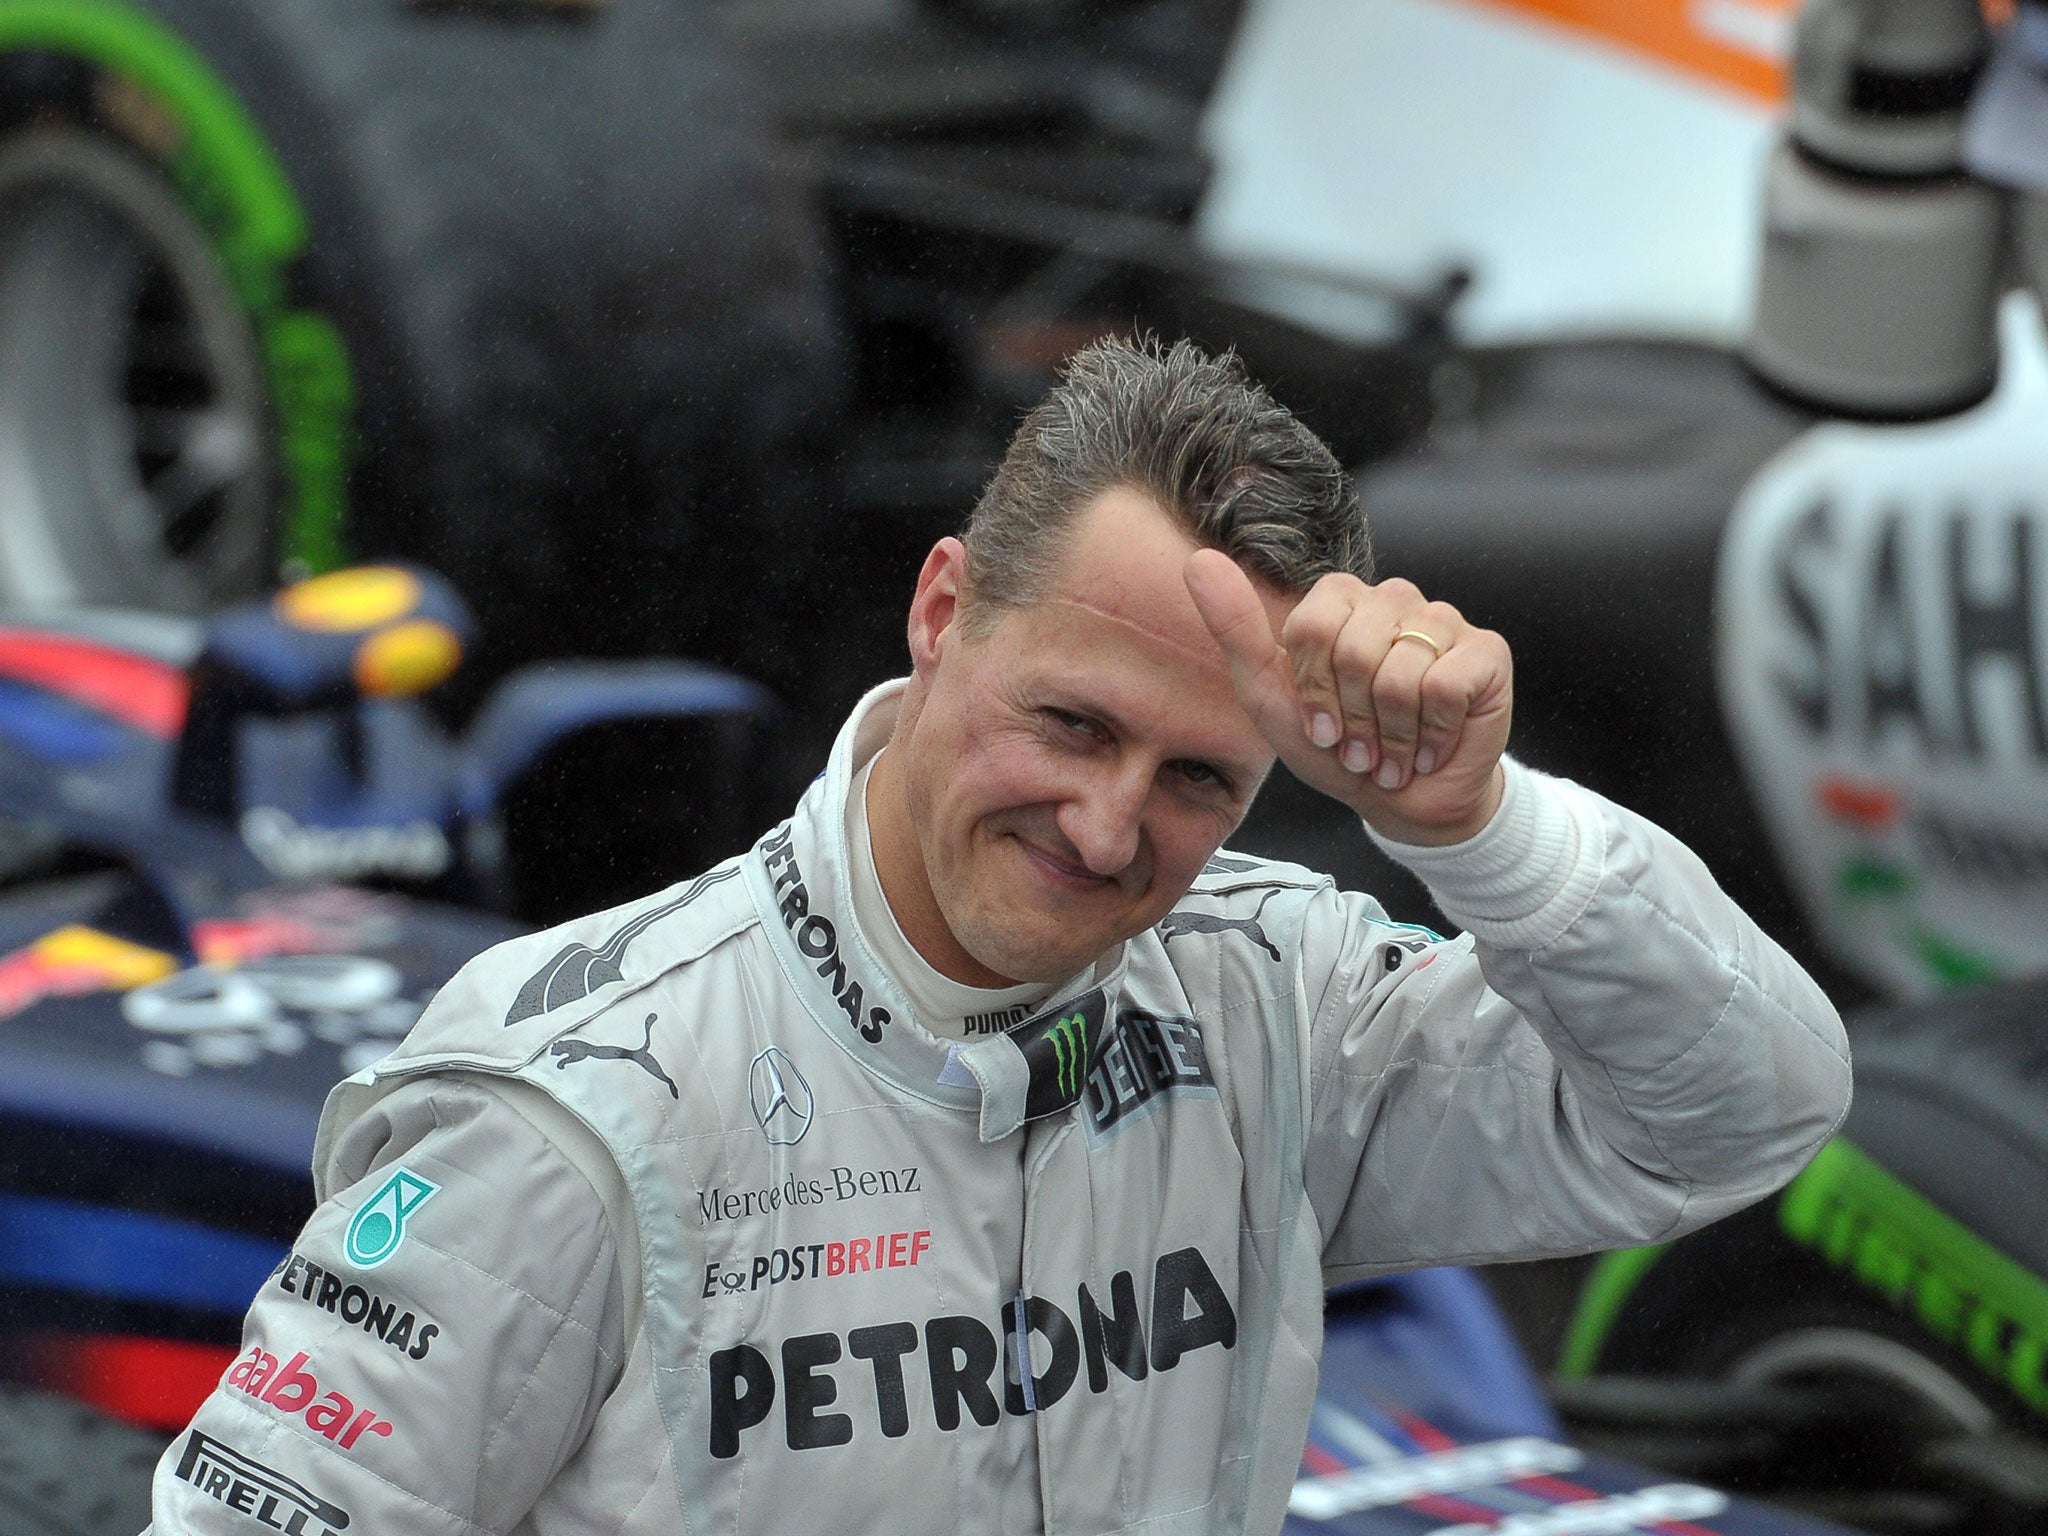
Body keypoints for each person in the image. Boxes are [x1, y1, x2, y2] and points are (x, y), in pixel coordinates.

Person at [146, 337, 1849, 1536]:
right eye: (1073, 726)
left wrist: (1479, 825)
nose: (1111, 829)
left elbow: (1744, 1114)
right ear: (943, 609)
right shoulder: (578, 1100)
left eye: (1199, 776)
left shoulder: (1279, 1003)